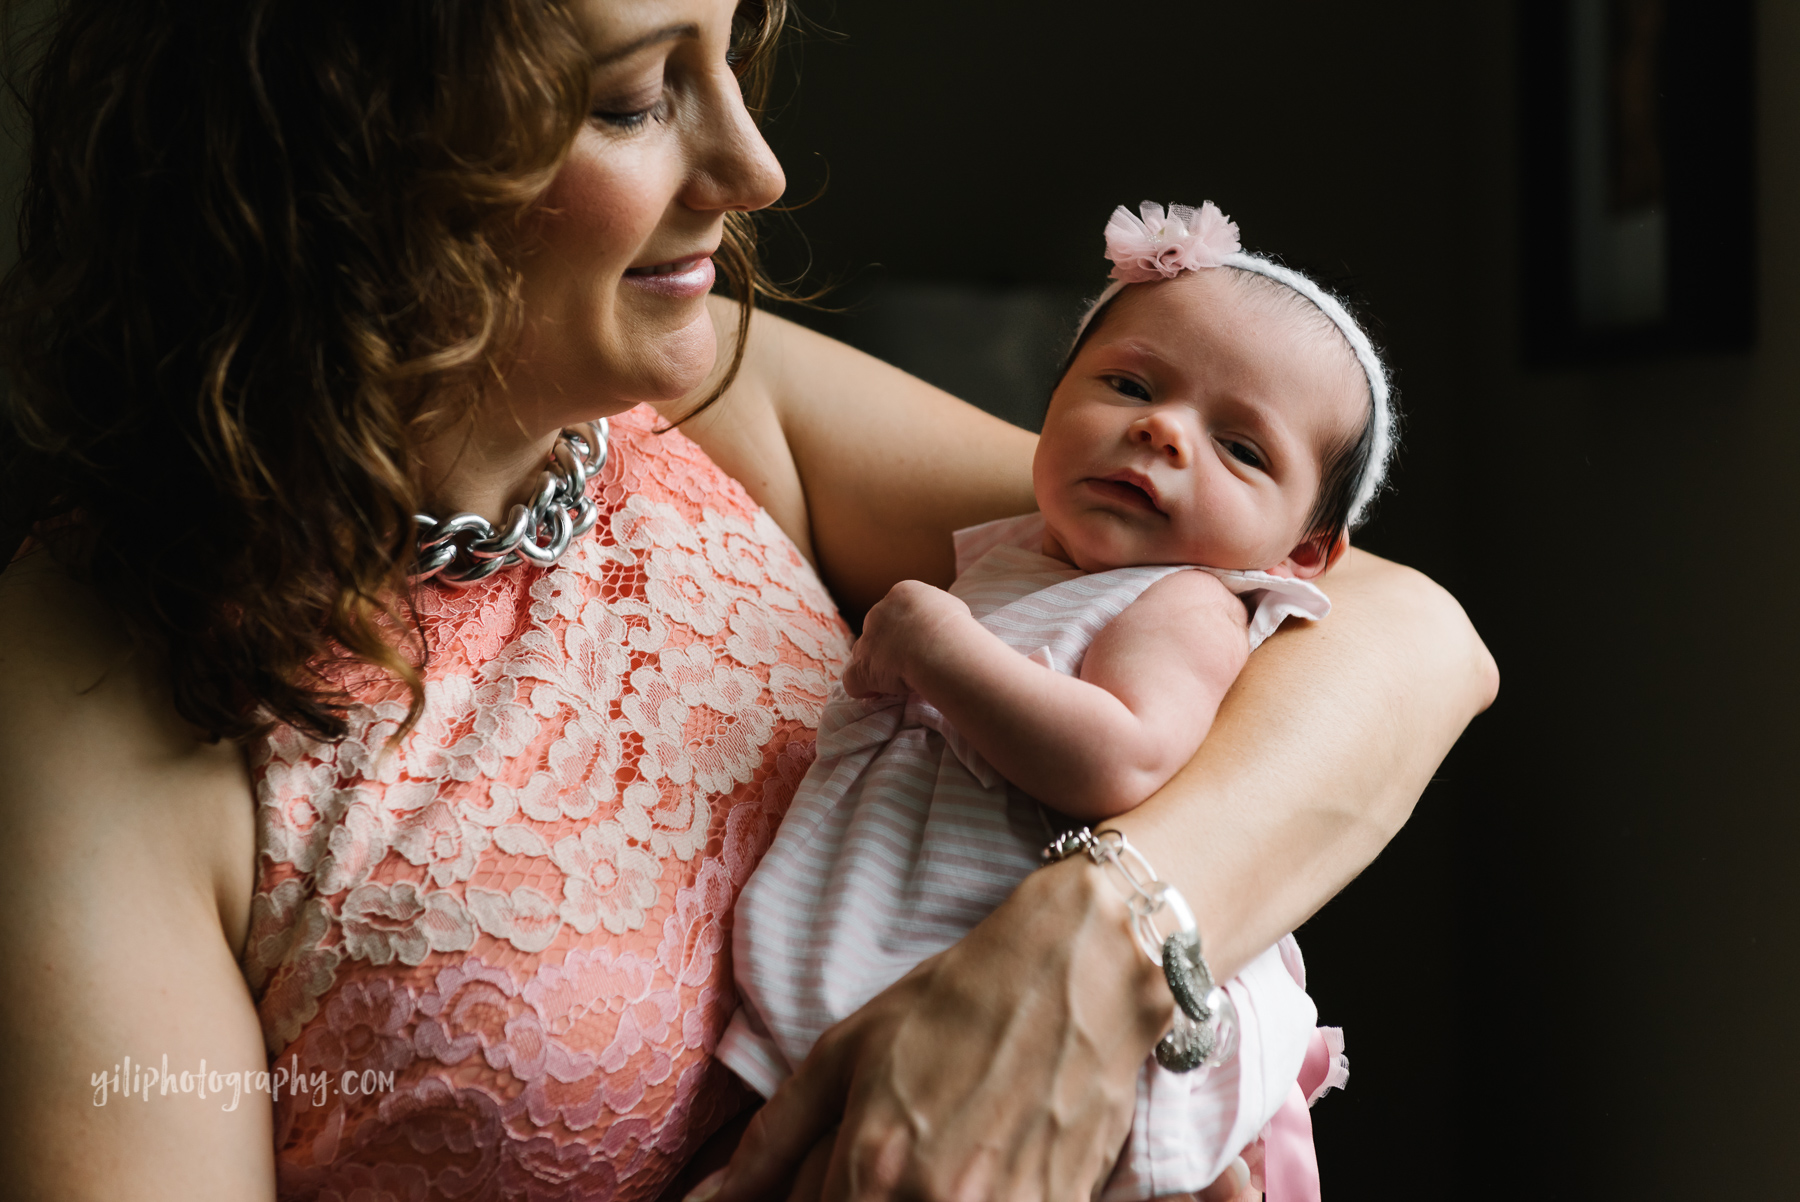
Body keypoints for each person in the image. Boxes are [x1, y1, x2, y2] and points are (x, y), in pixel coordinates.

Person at [0, 2, 1498, 1201]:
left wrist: (1098, 951)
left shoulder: (716, 391)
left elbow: (1406, 634)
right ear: (353, 145)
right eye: (639, 98)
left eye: (731, 59)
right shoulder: (98, 663)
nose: (755, 165)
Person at [719, 202, 1376, 1201]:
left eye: (1241, 447)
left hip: (1067, 1022)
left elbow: (1123, 755)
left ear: (1299, 551)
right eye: (1128, 384)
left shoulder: (1186, 601)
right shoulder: (1018, 556)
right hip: (920, 956)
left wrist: (941, 650)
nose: (1161, 427)